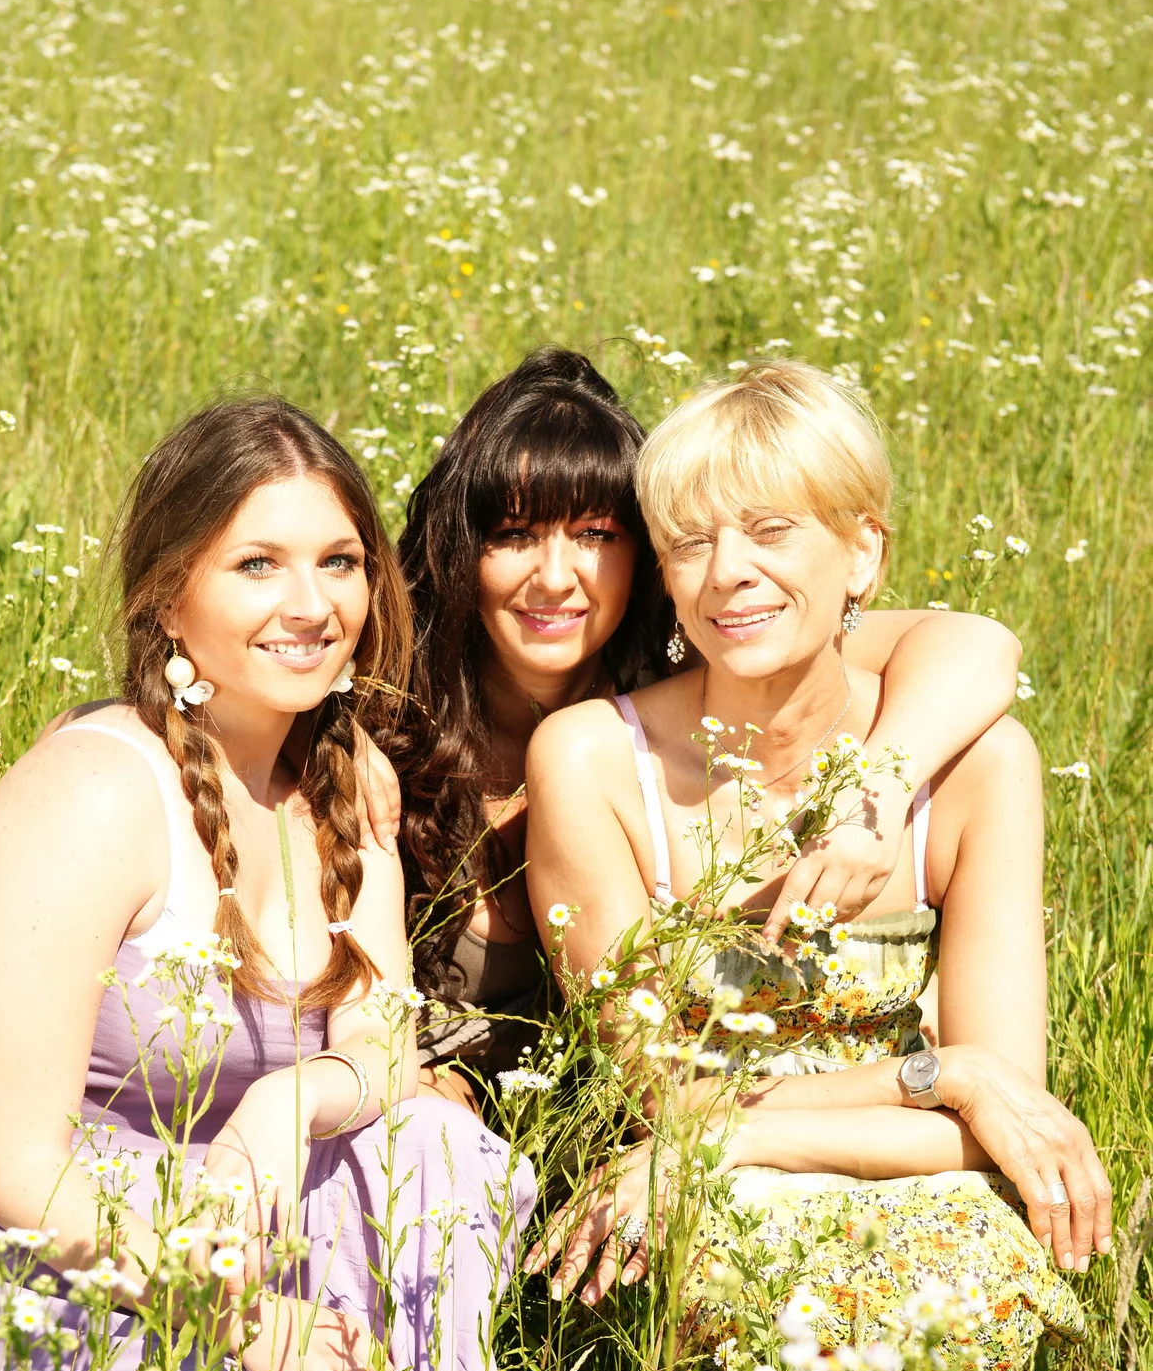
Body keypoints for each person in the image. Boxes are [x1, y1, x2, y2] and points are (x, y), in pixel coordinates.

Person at [0, 398, 535, 1371]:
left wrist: (287, 1103)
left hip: (217, 1209)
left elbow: (390, 1041)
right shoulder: (93, 795)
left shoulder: (339, 778)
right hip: (21, 1254)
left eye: (339, 561)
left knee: (442, 1153)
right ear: (169, 595)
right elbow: (18, 1168)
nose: (313, 605)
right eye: (258, 564)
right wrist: (242, 1321)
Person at [523, 359, 1108, 1371]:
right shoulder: (593, 763)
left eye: (771, 531)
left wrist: (736, 1131)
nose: (727, 573)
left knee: (960, 1297)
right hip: (709, 1182)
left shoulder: (974, 766)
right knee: (755, 1297)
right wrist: (944, 1078)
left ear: (864, 552)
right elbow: (650, 1095)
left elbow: (1004, 1114)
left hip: (898, 1171)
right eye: (691, 544)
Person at [389, 347, 1025, 1112]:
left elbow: (978, 644)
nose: (555, 577)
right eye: (514, 534)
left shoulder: (724, 647)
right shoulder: (392, 725)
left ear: (644, 560)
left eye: (595, 533)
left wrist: (876, 791)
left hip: (674, 1129)